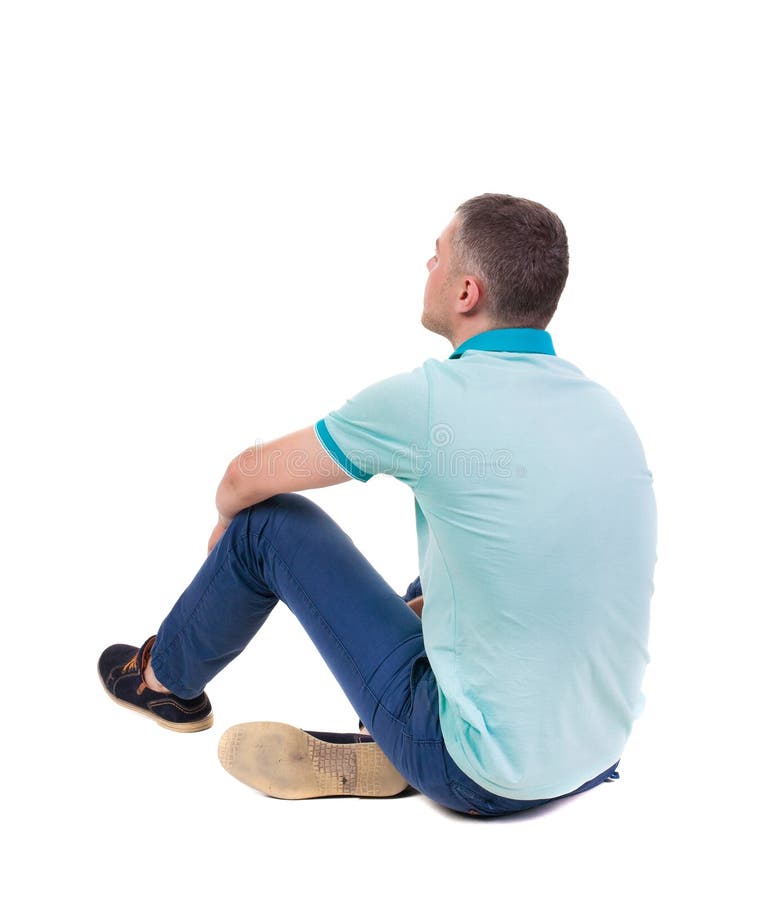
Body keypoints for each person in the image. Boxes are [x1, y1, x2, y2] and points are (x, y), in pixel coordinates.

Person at [99, 193, 657, 817]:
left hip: (475, 773)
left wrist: (230, 522)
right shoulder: (605, 409)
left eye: (437, 255)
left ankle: (164, 683)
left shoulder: (430, 400)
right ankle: (404, 723)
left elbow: (246, 475)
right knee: (482, 548)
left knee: (269, 525)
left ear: (467, 292)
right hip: (598, 752)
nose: (428, 266)